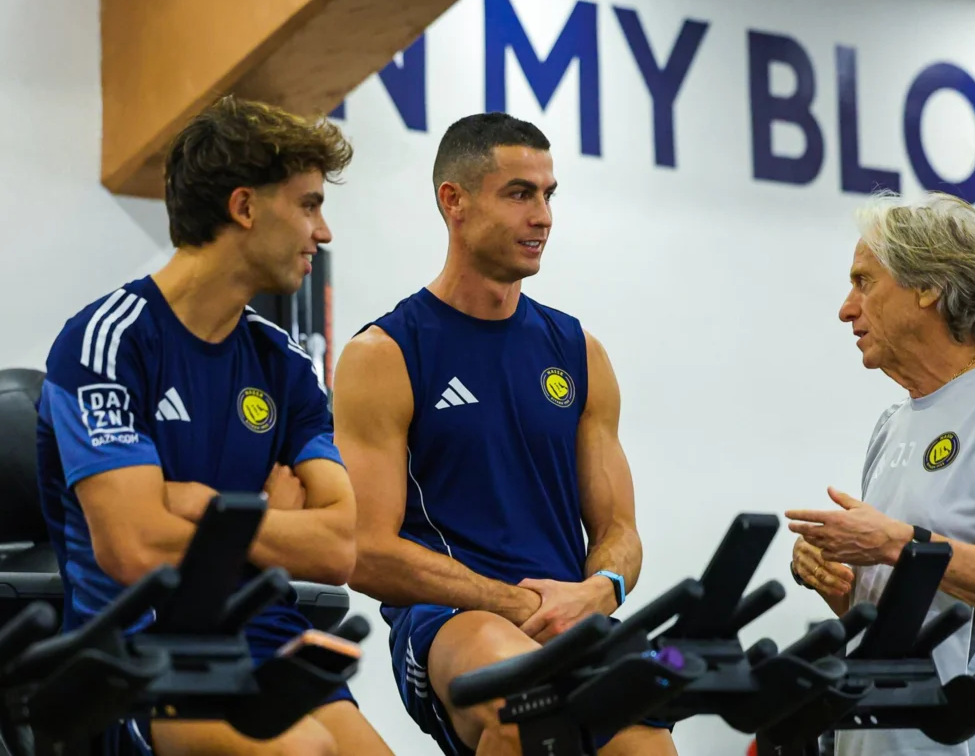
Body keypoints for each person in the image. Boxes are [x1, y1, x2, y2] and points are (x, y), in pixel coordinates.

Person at [35, 96, 394, 756]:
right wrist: (272, 518)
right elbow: (134, 550)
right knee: (300, 750)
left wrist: (210, 508)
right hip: (141, 656)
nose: (325, 232)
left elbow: (341, 547)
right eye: (309, 204)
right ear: (245, 207)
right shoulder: (106, 342)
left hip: (265, 636)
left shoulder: (282, 362)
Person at [333, 112, 677, 756]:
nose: (543, 215)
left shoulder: (579, 352)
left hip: (567, 615)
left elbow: (618, 533)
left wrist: (600, 591)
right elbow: (366, 551)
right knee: (521, 705)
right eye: (520, 193)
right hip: (450, 621)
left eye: (549, 195)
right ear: (453, 201)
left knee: (646, 741)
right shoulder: (384, 354)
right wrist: (511, 602)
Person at [786, 191, 975, 756]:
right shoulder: (891, 423)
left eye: (864, 282)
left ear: (928, 287)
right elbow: (901, 609)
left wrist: (897, 543)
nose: (847, 308)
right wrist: (836, 577)